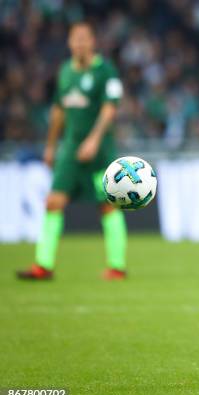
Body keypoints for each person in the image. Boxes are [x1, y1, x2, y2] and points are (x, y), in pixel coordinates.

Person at [17, 22, 126, 280]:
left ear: (92, 41)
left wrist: (94, 139)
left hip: (99, 151)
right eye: (74, 39)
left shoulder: (106, 71)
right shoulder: (65, 72)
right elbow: (58, 111)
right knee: (53, 202)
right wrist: (51, 146)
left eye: (83, 39)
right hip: (70, 150)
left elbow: (110, 108)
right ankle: (43, 265)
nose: (79, 44)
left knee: (109, 206)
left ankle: (117, 266)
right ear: (69, 43)